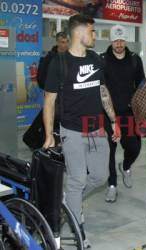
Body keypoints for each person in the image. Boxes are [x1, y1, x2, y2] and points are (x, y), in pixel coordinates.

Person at [43, 14, 120, 248]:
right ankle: (79, 232)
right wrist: (49, 134)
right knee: (77, 179)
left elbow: (102, 90)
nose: (96, 36)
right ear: (79, 33)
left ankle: (69, 202)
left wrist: (113, 119)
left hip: (96, 128)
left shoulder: (96, 59)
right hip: (72, 130)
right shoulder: (60, 63)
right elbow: (49, 101)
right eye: (93, 31)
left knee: (100, 176)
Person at [100, 25, 145, 203]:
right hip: (108, 114)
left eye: (121, 40)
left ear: (125, 41)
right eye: (115, 41)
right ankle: (112, 185)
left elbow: (141, 86)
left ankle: (125, 166)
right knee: (109, 152)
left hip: (129, 114)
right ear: (111, 41)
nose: (119, 44)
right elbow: (100, 88)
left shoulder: (135, 60)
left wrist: (142, 112)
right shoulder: (102, 60)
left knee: (134, 147)